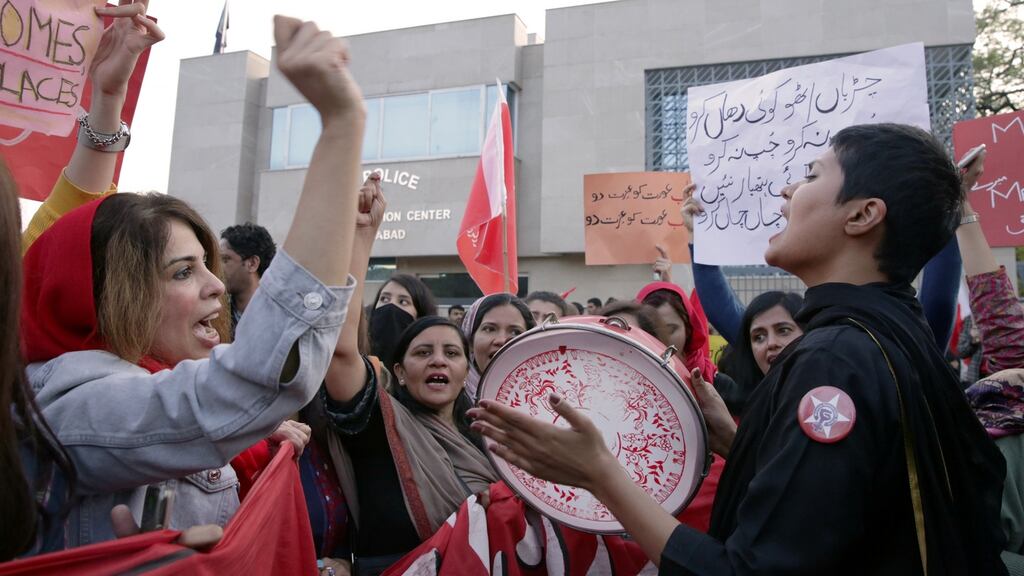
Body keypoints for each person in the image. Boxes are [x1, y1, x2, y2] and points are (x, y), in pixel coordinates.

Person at [472, 123, 1008, 575]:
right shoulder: (889, 332)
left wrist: (600, 474)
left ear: (863, 215)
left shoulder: (835, 359)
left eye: (812, 176)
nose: (786, 193)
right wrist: (737, 438)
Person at [19, 14, 364, 548]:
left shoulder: (160, 390)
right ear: (107, 297)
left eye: (207, 263)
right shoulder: (73, 405)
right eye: (182, 271)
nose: (218, 287)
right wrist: (341, 127)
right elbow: (252, 383)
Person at [321, 190, 497, 572]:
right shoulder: (382, 424)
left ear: (467, 370)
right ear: (398, 371)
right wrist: (362, 236)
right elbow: (340, 351)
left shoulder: (489, 440)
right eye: (422, 353)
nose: (438, 360)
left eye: (452, 354)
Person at [460, 293, 536, 399]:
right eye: (489, 329)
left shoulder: (549, 400)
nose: (501, 340)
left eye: (515, 332)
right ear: (470, 342)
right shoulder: (447, 402)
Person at [367, 272, 437, 370]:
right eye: (385, 299)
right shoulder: (358, 355)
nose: (391, 306)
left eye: (403, 302)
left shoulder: (430, 364)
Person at [220, 222, 277, 331]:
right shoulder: (216, 316)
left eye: (225, 259)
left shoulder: (279, 320)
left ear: (252, 263)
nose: (217, 267)